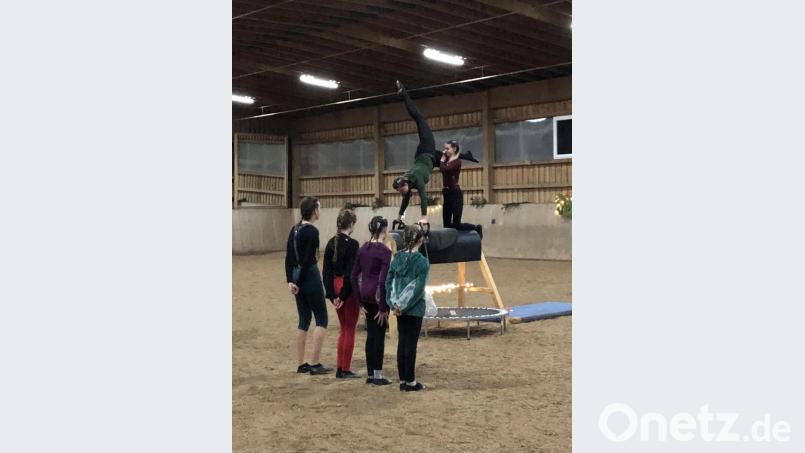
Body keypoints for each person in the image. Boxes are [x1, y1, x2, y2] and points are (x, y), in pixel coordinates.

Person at [392, 80, 478, 225]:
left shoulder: (417, 178)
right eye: (400, 192)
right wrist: (399, 217)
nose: (402, 193)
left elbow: (423, 197)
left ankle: (403, 93)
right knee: (446, 156)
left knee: (419, 118)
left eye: (402, 190)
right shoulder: (407, 184)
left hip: (425, 149)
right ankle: (467, 155)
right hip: (430, 160)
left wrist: (424, 217)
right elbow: (405, 200)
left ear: (405, 183)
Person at [284, 197, 332, 375]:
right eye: (318, 208)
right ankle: (315, 362)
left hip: (296, 274)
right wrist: (299, 281)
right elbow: (307, 260)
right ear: (313, 212)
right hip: (309, 276)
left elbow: (289, 257)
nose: (320, 211)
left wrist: (291, 280)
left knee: (304, 319)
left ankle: (301, 363)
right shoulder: (312, 232)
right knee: (321, 318)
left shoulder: (294, 229)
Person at [386, 224, 430, 392]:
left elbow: (389, 282)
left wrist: (394, 304)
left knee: (402, 342)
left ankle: (403, 379)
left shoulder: (397, 258)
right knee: (410, 344)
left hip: (398, 307)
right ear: (420, 240)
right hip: (414, 309)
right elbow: (418, 289)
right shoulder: (422, 262)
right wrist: (404, 306)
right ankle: (410, 381)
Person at [350, 216, 394, 385]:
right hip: (377, 297)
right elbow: (383, 281)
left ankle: (370, 373)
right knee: (379, 336)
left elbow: (354, 276)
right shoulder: (385, 252)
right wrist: (383, 307)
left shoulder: (363, 249)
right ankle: (377, 374)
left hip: (365, 296)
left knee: (370, 335)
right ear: (384, 230)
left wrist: (359, 302)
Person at [322, 209, 361, 379]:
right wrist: (344, 296)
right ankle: (345, 368)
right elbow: (351, 272)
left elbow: (326, 272)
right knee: (350, 329)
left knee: (343, 328)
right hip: (346, 287)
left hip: (335, 285)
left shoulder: (331, 243)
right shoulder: (353, 244)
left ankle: (341, 366)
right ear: (351, 224)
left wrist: (332, 296)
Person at [439, 140, 483, 238]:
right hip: (446, 193)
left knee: (457, 224)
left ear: (454, 149)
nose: (445, 151)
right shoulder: (446, 160)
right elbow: (441, 166)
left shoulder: (457, 162)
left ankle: (476, 227)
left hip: (455, 193)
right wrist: (442, 159)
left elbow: (444, 169)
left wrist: (441, 160)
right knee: (446, 224)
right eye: (444, 148)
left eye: (447, 148)